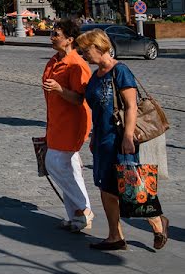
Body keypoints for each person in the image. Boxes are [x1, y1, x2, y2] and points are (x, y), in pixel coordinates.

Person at [77, 29, 170, 251]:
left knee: (131, 184)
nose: (83, 55)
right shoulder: (96, 74)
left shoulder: (120, 71)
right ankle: (115, 236)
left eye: (85, 50)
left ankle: (158, 222)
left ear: (99, 47)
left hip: (120, 138)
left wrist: (128, 137)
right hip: (101, 138)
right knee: (106, 187)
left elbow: (131, 107)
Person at [41, 19, 93, 233]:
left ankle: (84, 208)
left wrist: (60, 89)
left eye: (56, 35)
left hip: (72, 123)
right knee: (71, 170)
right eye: (52, 33)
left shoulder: (76, 64)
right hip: (56, 121)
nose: (52, 37)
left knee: (53, 163)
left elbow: (82, 98)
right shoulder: (54, 60)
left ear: (69, 40)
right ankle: (77, 218)